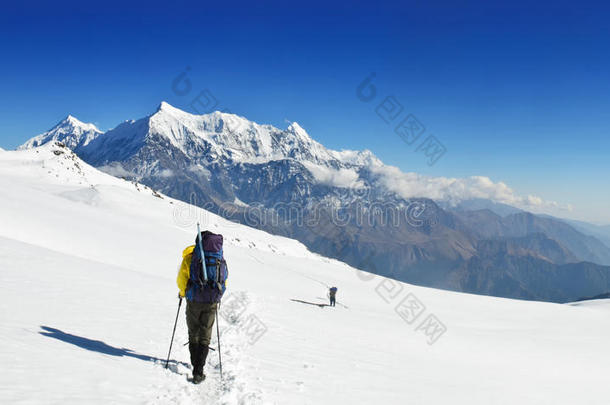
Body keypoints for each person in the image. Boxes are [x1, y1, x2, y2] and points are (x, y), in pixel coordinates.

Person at [177, 230, 228, 384]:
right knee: (205, 333)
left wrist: (182, 293)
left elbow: (182, 279)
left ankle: (195, 365)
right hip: (211, 300)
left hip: (194, 299)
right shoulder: (219, 259)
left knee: (194, 332)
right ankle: (199, 370)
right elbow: (224, 279)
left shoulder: (191, 258)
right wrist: (218, 296)